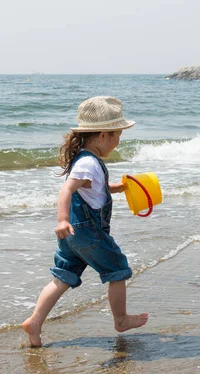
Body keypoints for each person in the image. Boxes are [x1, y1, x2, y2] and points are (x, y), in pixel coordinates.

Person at [22, 96, 148, 347]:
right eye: (117, 136)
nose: (118, 141)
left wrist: (118, 187)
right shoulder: (89, 163)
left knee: (63, 275)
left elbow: (94, 190)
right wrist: (62, 219)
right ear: (103, 135)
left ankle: (35, 322)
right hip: (85, 231)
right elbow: (66, 190)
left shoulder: (84, 159)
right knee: (117, 268)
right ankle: (120, 319)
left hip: (73, 235)